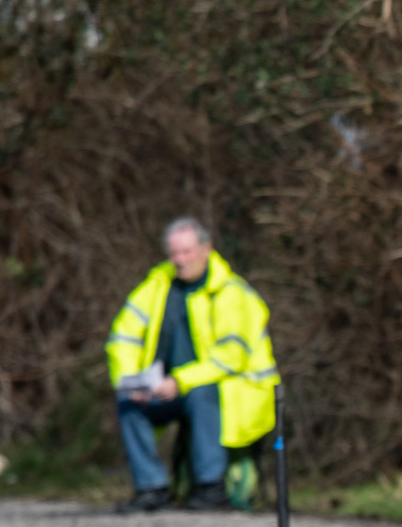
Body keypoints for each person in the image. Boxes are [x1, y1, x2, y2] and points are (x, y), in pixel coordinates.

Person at [106, 218, 280, 512]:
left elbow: (230, 358)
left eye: (187, 253)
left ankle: (211, 486)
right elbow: (123, 335)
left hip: (234, 392)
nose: (180, 260)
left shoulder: (231, 292)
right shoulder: (158, 285)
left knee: (203, 394)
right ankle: (152, 487)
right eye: (174, 254)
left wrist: (180, 381)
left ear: (206, 249)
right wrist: (132, 380)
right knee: (128, 403)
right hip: (164, 387)